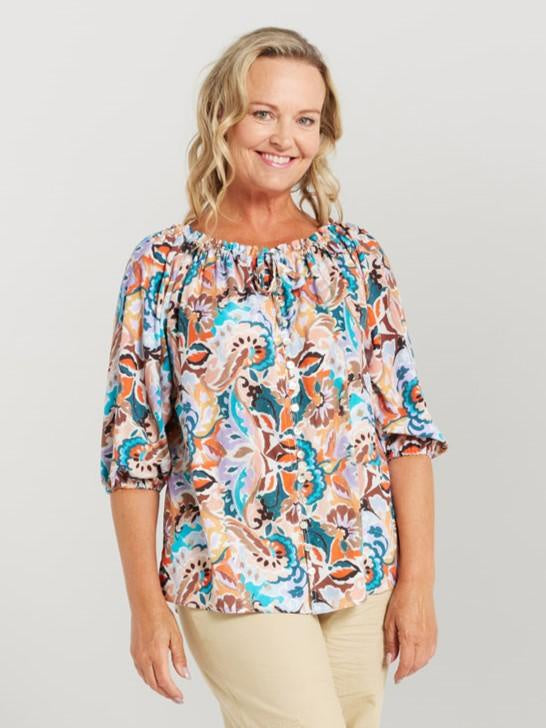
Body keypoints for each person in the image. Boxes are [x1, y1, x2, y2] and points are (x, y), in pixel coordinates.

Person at [99, 26, 449, 728]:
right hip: (228, 570)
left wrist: (417, 584)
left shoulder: (356, 260)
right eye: (264, 113)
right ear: (223, 118)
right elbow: (134, 450)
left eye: (305, 119)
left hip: (360, 564)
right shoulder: (163, 267)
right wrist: (145, 605)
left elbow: (405, 432)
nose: (285, 137)